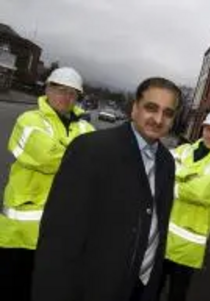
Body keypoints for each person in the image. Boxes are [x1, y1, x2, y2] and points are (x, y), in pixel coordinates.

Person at [31, 77, 181, 301]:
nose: (159, 119)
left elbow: (156, 229)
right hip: (92, 288)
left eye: (168, 113)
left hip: (139, 288)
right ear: (134, 109)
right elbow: (58, 239)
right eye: (151, 108)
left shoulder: (167, 162)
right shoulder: (91, 150)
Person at [0, 67, 94, 301]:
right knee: (13, 288)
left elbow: (98, 163)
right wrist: (79, 156)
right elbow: (45, 157)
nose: (66, 97)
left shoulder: (85, 127)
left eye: (72, 93)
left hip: (60, 233)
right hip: (21, 232)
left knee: (44, 291)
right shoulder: (29, 120)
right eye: (61, 90)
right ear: (47, 89)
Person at [161, 110, 210, 301]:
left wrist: (174, 182)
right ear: (202, 129)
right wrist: (191, 179)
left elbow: (202, 193)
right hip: (161, 237)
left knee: (176, 295)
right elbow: (161, 169)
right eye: (209, 129)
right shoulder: (184, 150)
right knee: (148, 290)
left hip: (188, 247)